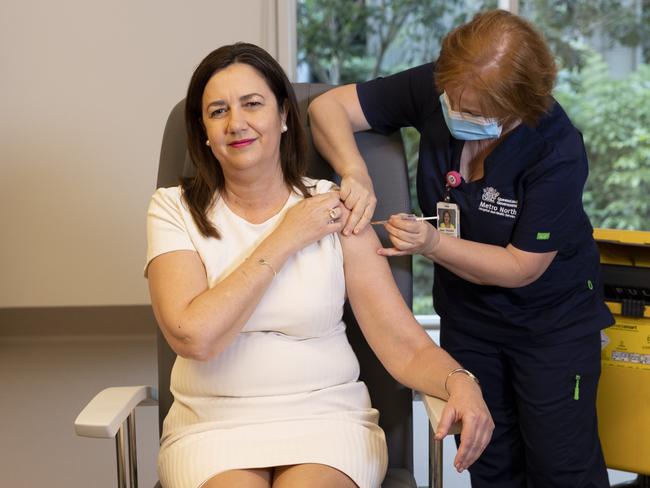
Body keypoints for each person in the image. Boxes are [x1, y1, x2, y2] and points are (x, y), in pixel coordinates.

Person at [145, 42, 493, 488]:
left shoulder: (335, 207)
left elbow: (403, 344)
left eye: (253, 104)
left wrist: (459, 379)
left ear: (284, 116)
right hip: (210, 424)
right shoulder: (173, 209)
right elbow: (194, 336)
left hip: (327, 420)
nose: (236, 123)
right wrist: (289, 233)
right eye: (218, 111)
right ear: (204, 132)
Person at [308, 10, 614, 488]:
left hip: (551, 325)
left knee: (560, 469)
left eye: (476, 112)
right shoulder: (442, 87)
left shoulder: (555, 149)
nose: (458, 114)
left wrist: (432, 243)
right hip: (469, 321)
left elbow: (520, 267)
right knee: (490, 463)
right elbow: (327, 108)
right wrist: (356, 171)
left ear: (522, 106)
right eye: (454, 101)